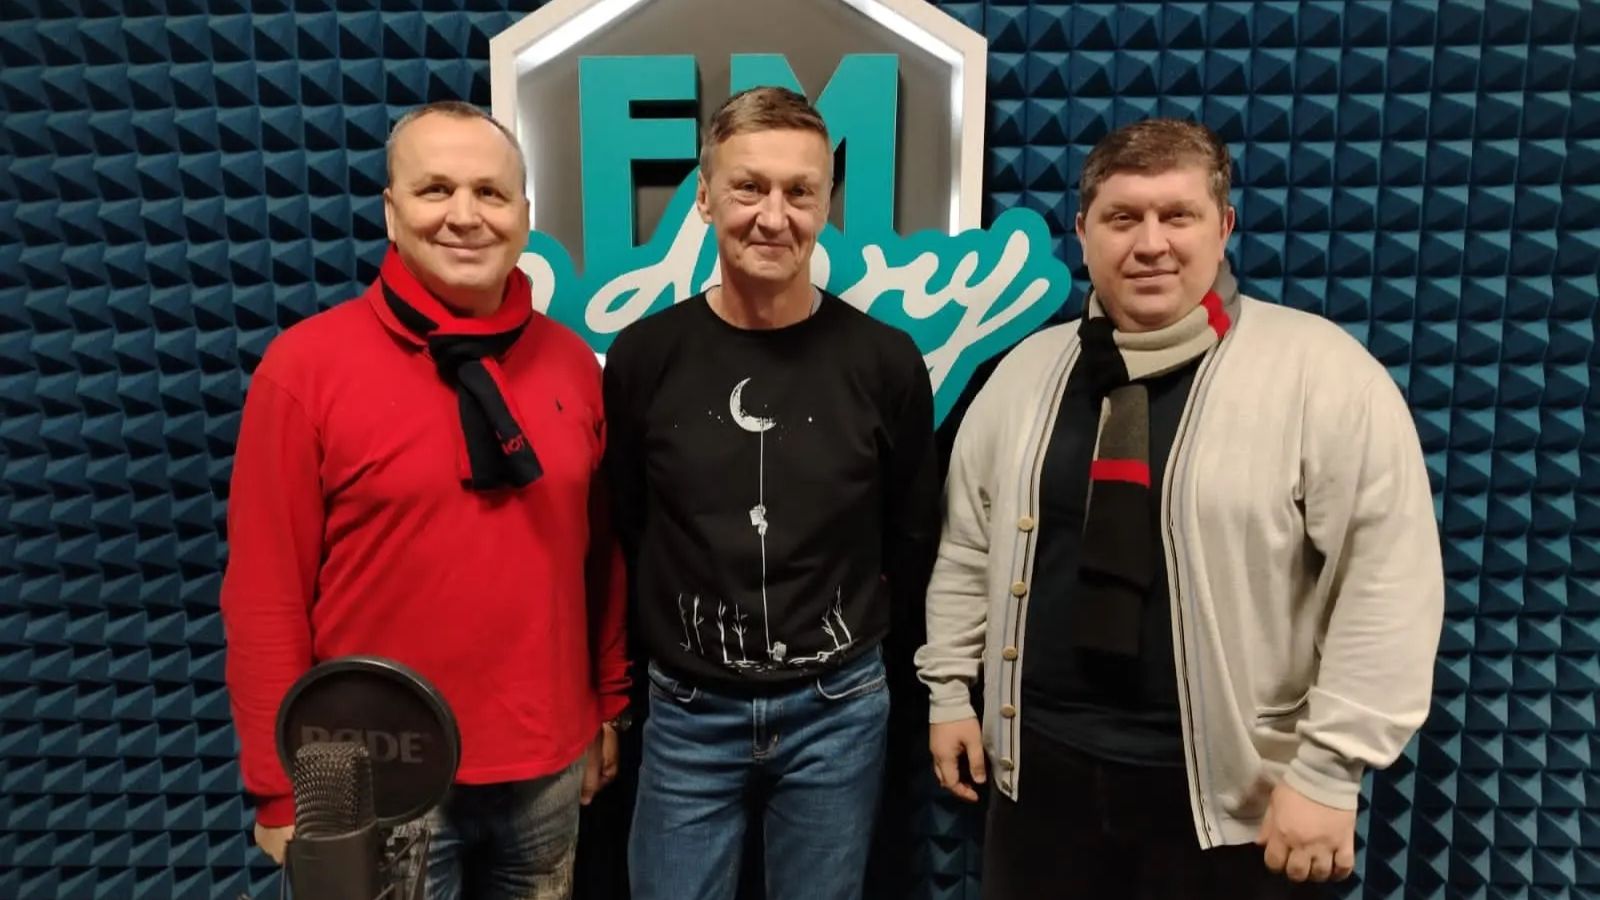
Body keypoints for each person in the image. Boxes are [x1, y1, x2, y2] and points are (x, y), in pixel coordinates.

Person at [915, 118, 1444, 899]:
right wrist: (950, 690)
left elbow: (1387, 581)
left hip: (1230, 798)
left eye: (1178, 215)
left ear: (1223, 226)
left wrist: (1331, 771)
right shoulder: (1025, 373)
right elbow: (968, 545)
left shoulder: (1324, 375)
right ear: (1083, 232)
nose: (1151, 243)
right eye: (1123, 217)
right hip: (1040, 775)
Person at [220, 100, 630, 900]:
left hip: (545, 765)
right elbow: (265, 593)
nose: (464, 216)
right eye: (435, 189)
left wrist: (603, 708)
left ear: (524, 215)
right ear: (390, 210)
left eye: (490, 193)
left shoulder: (573, 365)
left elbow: (599, 559)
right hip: (374, 774)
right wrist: (280, 787)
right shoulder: (304, 370)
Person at [602, 86, 940, 900]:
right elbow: (629, 524)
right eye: (749, 187)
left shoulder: (885, 361)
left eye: (800, 191)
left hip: (839, 709)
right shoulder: (644, 356)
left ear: (826, 204)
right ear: (705, 196)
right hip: (687, 710)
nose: (773, 216)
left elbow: (910, 534)